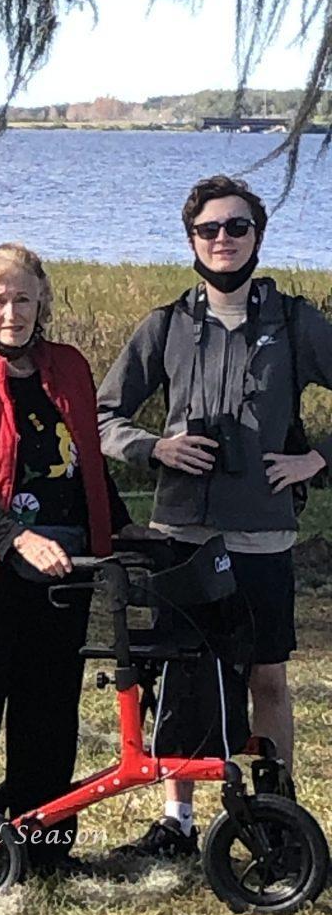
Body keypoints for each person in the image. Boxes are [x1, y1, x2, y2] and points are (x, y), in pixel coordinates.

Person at [97, 174, 332, 858]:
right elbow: (105, 415)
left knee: (266, 676)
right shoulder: (166, 325)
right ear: (190, 239)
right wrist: (154, 446)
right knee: (186, 678)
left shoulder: (293, 322)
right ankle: (179, 821)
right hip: (183, 535)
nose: (222, 240)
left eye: (236, 227)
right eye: (209, 229)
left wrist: (315, 460)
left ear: (257, 236)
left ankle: (279, 817)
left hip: (262, 532)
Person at [0, 242, 130, 874]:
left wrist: (123, 529)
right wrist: (17, 537)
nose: (11, 311)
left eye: (22, 298)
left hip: (65, 572)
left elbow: (86, 462)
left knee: (49, 711)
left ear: (41, 300)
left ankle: (42, 841)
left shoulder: (68, 367)